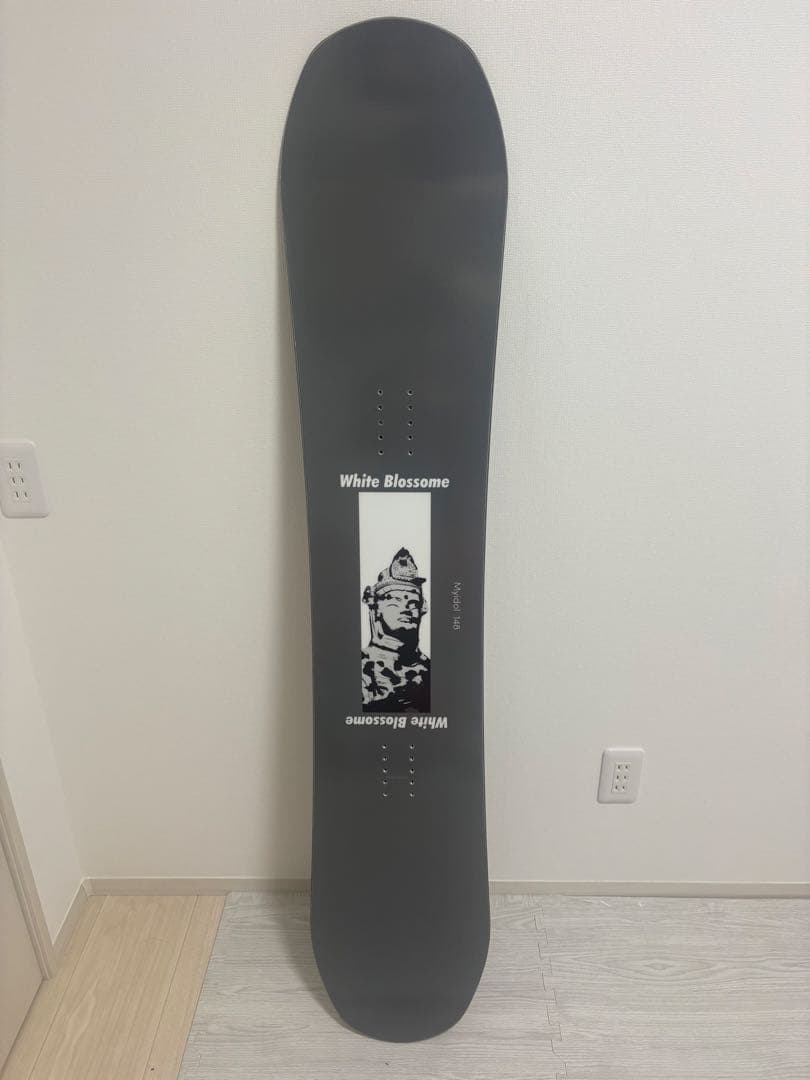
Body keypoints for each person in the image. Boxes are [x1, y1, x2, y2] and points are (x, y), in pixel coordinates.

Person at [361, 547, 430, 712]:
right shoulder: (359, 668)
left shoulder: (431, 670)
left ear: (423, 608)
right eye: (395, 600)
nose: (406, 608)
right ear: (376, 607)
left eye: (413, 602)